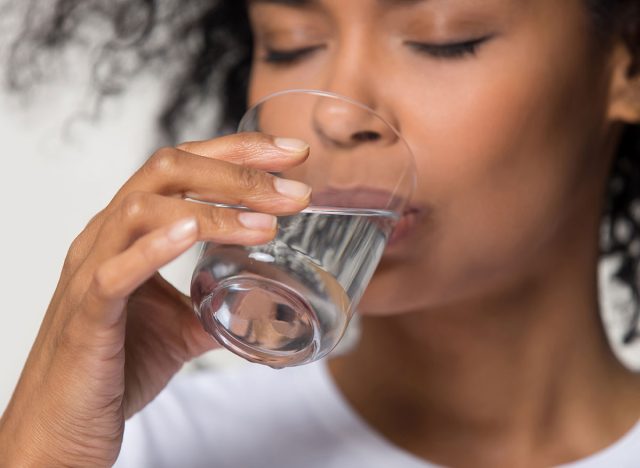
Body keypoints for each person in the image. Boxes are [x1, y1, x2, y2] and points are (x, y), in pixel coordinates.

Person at [2, 0, 640, 466]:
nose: (334, 112)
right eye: (290, 44)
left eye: (443, 40)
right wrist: (42, 450)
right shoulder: (139, 447)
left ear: (628, 64)